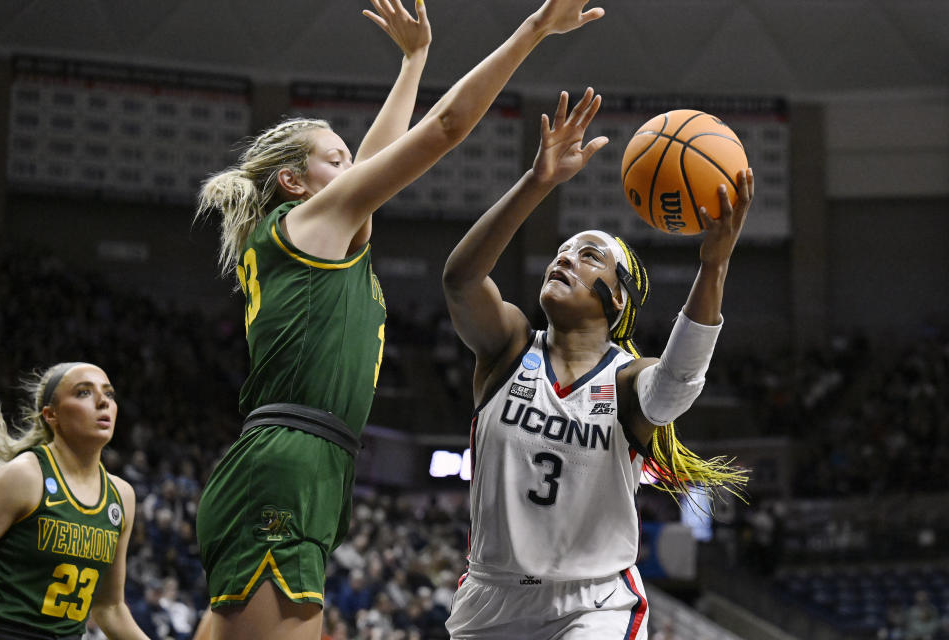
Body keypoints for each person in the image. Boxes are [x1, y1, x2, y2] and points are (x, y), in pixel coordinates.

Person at [191, 0, 606, 638]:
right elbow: (443, 129)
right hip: (288, 462)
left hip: (304, 460)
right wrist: (534, 29)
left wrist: (414, 61)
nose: (353, 170)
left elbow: (377, 165)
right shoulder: (304, 226)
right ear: (294, 182)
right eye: (335, 160)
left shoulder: (316, 237)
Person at [441, 89, 752, 639]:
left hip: (593, 603)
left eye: (589, 256)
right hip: (490, 599)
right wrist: (539, 181)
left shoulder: (628, 381)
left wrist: (715, 266)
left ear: (617, 300)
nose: (565, 257)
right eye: (563, 250)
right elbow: (461, 280)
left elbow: (678, 383)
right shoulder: (509, 346)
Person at [0, 362, 150, 640]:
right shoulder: (25, 476)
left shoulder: (121, 496)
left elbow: (109, 607)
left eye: (109, 394)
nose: (103, 402)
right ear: (52, 415)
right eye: (84, 393)